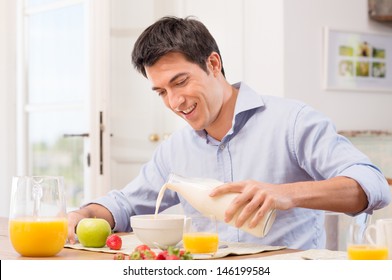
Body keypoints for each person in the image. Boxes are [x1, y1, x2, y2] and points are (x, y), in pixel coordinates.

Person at [67, 16, 390, 249]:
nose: (175, 102)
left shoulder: (292, 122)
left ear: (214, 64)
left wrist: (288, 194)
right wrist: (83, 213)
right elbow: (124, 204)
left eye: (180, 82)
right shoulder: (175, 149)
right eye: (161, 92)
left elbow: (373, 184)